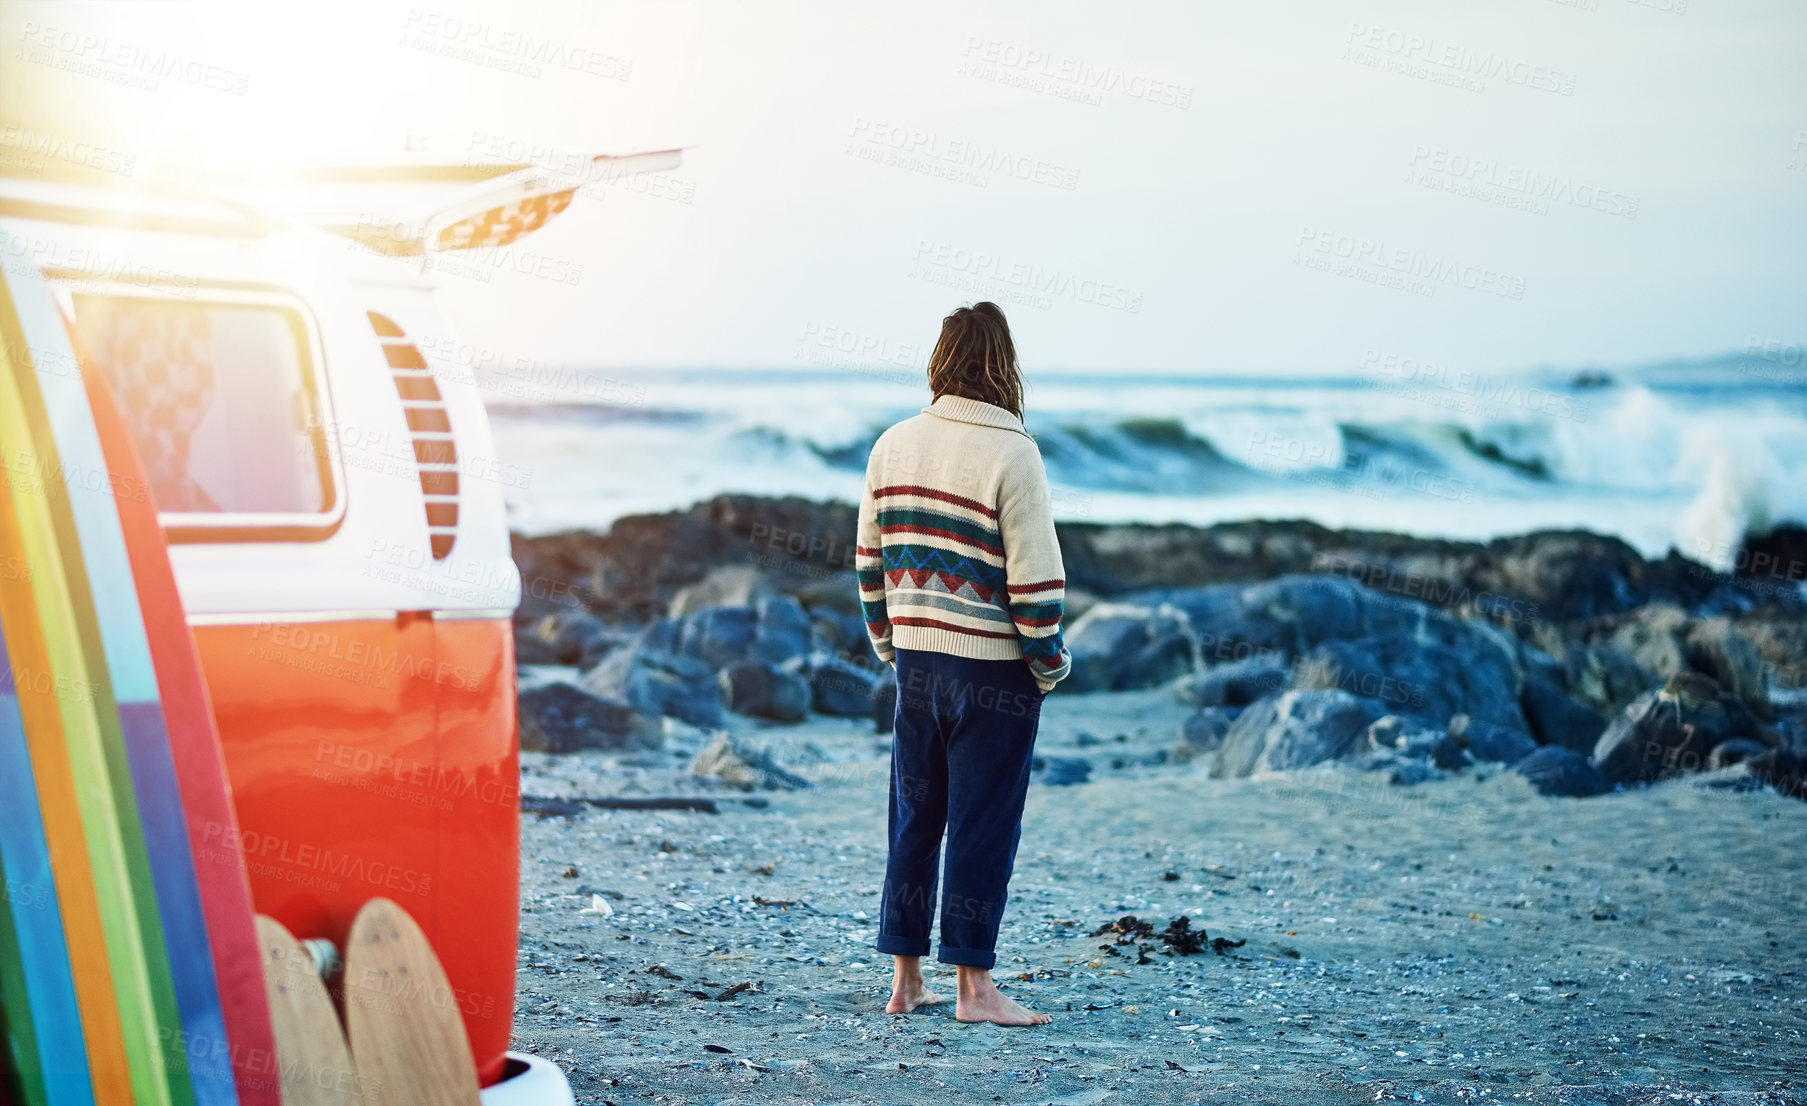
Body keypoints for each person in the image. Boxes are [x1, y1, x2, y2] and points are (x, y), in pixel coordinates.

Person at [855, 301, 1072, 1026]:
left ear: (940, 360)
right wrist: (1046, 666)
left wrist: (892, 647)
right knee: (981, 825)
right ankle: (974, 991)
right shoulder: (1014, 452)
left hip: (916, 664)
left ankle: (904, 980)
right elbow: (1036, 585)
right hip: (993, 673)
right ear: (1003, 363)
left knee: (914, 817)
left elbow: (868, 563)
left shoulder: (892, 444)